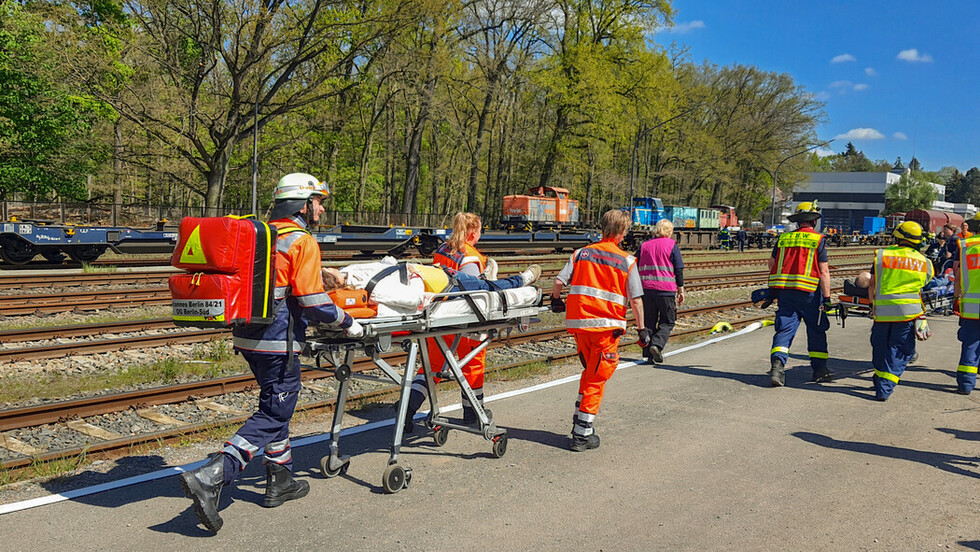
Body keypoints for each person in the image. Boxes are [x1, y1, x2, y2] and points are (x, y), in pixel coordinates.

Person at [179, 173, 362, 533]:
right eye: (319, 201)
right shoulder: (301, 241)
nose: (322, 209)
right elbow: (311, 302)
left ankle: (280, 480)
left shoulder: (260, 235)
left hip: (247, 337)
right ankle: (215, 473)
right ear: (303, 203)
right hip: (279, 342)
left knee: (275, 405)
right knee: (275, 411)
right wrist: (347, 322)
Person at [321, 257, 541, 431]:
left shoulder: (351, 275)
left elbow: (388, 263)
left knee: (431, 369)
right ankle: (522, 281)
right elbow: (414, 299)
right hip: (443, 288)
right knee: (488, 288)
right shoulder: (365, 284)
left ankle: (407, 411)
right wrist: (413, 276)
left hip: (437, 286)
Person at [550, 209, 647, 452]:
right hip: (606, 328)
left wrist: (555, 300)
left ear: (602, 227)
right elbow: (636, 300)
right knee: (597, 378)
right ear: (622, 233)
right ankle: (582, 436)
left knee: (590, 372)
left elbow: (559, 282)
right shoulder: (627, 260)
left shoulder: (580, 253)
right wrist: (643, 329)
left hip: (580, 325)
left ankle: (581, 424)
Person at [426, 213, 496, 427]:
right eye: (480, 231)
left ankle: (407, 410)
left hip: (438, 316)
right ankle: (473, 411)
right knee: (473, 363)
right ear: (473, 233)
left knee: (432, 367)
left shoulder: (443, 250)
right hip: (462, 317)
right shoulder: (470, 257)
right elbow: (473, 290)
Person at [767, 201, 834, 387]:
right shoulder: (818, 240)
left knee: (785, 329)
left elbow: (771, 265)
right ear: (814, 221)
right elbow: (824, 272)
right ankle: (820, 371)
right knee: (816, 330)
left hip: (786, 293)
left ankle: (777, 368)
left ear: (798, 221)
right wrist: (827, 298)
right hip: (810, 294)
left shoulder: (784, 239)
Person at [868, 221, 933, 401]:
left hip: (882, 312)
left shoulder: (882, 255)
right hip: (907, 313)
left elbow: (872, 283)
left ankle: (881, 379)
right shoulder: (924, 261)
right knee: (900, 349)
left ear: (898, 236)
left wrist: (872, 305)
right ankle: (885, 386)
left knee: (880, 346)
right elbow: (925, 285)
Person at [637, 219, 685, 363]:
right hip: (666, 291)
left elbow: (634, 264)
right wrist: (680, 289)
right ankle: (657, 345)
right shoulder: (672, 246)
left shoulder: (644, 246)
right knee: (668, 321)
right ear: (669, 231)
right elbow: (678, 269)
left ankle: (648, 354)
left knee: (649, 322)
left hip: (646, 290)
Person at [950, 232, 979, 395]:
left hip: (972, 307)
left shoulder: (967, 246)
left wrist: (956, 297)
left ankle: (966, 385)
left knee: (971, 345)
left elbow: (958, 274)